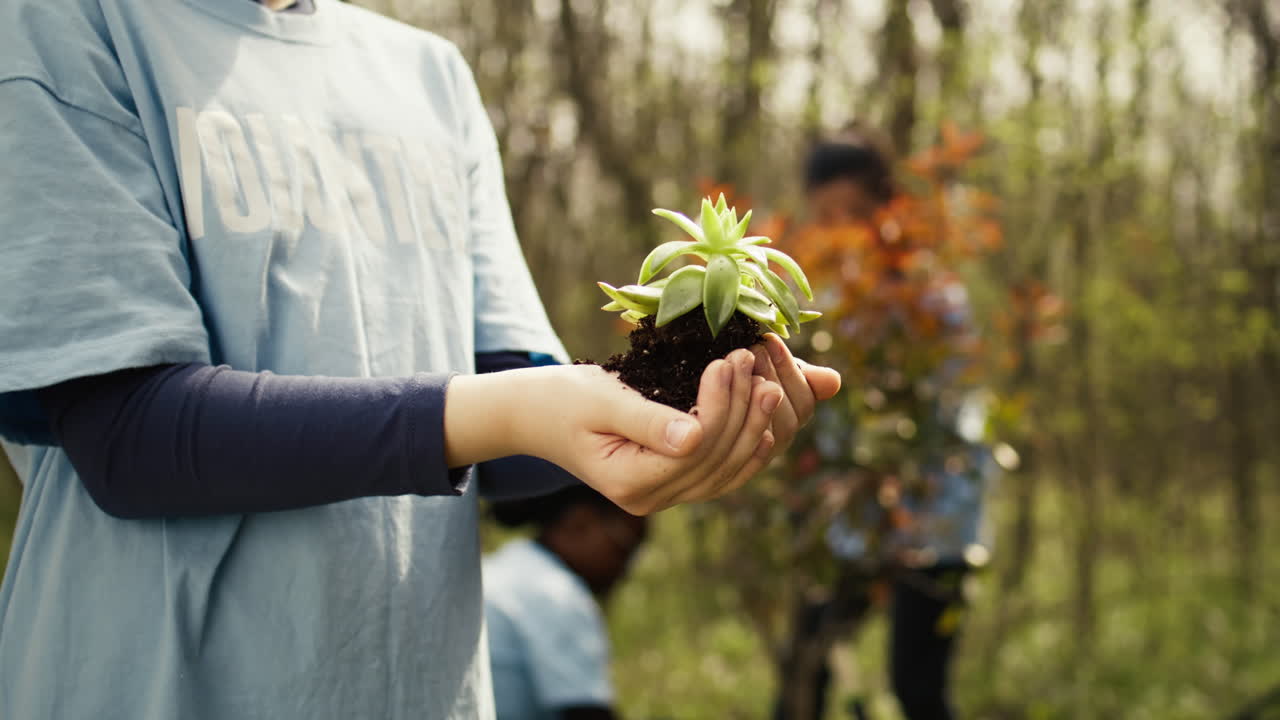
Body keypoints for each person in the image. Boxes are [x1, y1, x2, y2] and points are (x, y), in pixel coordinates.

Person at [0, 1, 842, 717]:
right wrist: (511, 412)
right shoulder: (61, 28)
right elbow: (127, 438)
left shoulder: (427, 76)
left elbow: (512, 435)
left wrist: (674, 412)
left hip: (418, 688)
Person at [778, 126, 993, 720]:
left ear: (884, 206)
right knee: (804, 667)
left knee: (919, 689)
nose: (840, 228)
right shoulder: (821, 301)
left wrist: (912, 493)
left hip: (934, 519)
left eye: (853, 211)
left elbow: (955, 410)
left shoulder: (931, 296)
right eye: (825, 215)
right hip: (846, 520)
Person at [484, 485, 647, 720]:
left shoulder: (510, 567)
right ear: (579, 524)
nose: (625, 570)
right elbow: (586, 713)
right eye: (625, 549)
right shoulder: (556, 593)